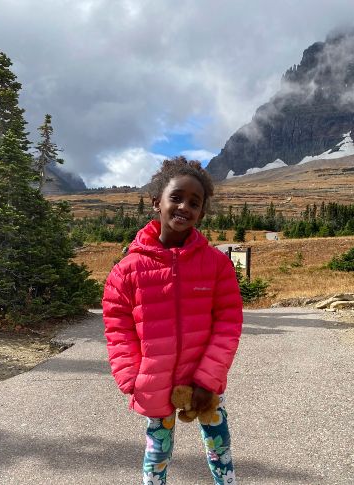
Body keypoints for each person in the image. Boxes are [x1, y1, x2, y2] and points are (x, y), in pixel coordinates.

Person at [102, 156, 243, 485]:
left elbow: (228, 323)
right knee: (158, 452)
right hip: (155, 381)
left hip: (204, 381)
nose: (184, 207)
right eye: (176, 197)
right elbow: (117, 326)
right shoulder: (128, 269)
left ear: (202, 212)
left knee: (219, 447)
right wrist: (131, 376)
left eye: (194, 202)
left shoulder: (216, 265)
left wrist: (208, 379)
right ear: (156, 202)